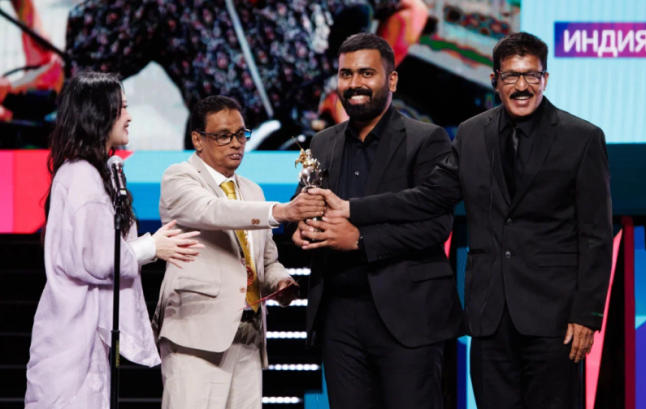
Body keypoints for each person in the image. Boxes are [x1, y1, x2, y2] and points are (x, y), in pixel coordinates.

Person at [314, 32, 613, 408]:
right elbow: (428, 197)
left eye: (531, 75)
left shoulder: (581, 138)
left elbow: (596, 235)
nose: (522, 86)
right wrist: (353, 209)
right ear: (495, 81)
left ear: (545, 79)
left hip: (555, 320)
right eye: (511, 76)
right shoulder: (472, 133)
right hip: (489, 319)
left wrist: (587, 314)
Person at [288, 33, 463, 409]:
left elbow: (437, 225)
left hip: (407, 315)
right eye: (345, 74)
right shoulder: (322, 144)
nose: (354, 84)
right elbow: (301, 204)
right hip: (338, 318)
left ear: (392, 80)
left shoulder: (427, 140)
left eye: (366, 73)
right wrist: (299, 228)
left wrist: (360, 241)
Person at [25, 71, 203, 409]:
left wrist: (151, 246)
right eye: (122, 108)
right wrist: (153, 247)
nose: (129, 116)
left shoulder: (91, 172)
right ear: (98, 114)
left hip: (79, 342)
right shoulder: (81, 176)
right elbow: (96, 258)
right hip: (71, 348)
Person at [63, 0, 428, 148]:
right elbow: (85, 66)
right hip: (223, 167)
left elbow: (410, 11)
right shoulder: (172, 8)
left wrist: (352, 86)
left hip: (323, 149)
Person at [152, 95, 321, 409]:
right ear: (197, 140)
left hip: (248, 338)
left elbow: (266, 260)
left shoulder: (253, 190)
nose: (236, 143)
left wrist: (280, 280)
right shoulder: (179, 177)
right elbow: (213, 211)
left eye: (241, 134)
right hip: (196, 337)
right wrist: (281, 211)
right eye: (223, 135)